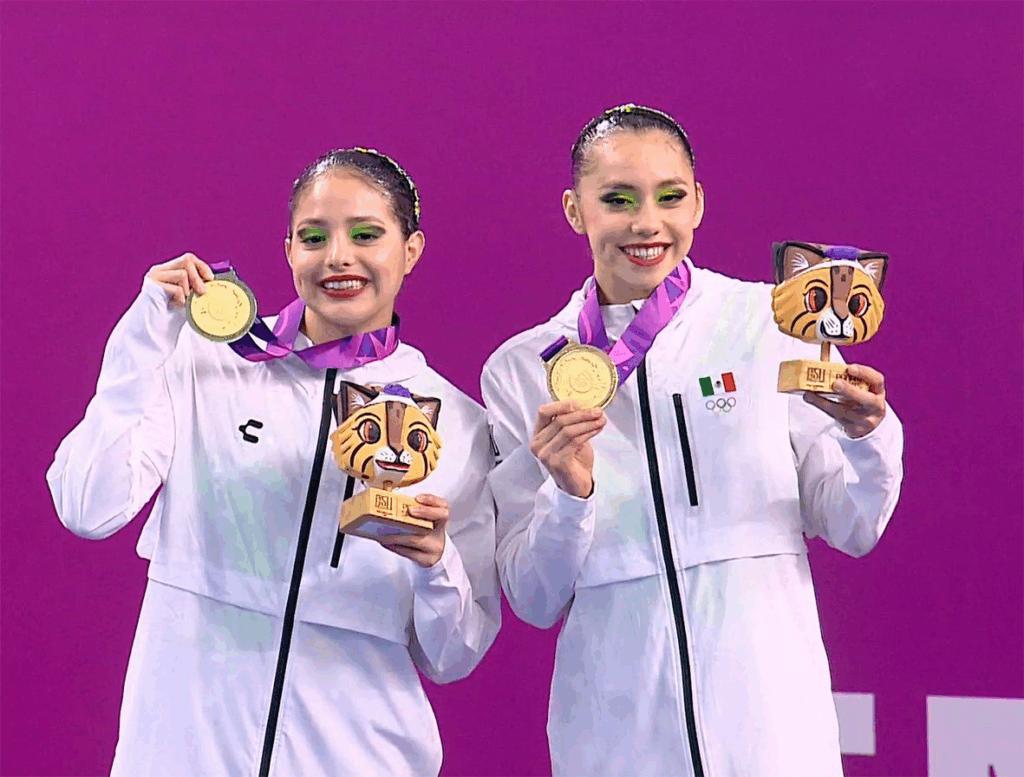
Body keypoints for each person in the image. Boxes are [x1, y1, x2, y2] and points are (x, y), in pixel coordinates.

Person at [47, 148, 500, 777]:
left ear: (411, 250)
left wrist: (435, 564)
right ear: (289, 251)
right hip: (183, 753)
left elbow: (453, 656)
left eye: (366, 235)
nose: (337, 257)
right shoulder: (205, 363)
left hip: (357, 759)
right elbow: (87, 506)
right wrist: (142, 340)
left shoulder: (457, 423)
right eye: (314, 237)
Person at [481, 105, 904, 776]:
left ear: (699, 203)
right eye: (617, 199)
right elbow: (534, 596)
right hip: (617, 735)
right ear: (574, 209)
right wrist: (569, 494)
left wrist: (866, 435)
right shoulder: (523, 369)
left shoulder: (770, 323)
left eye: (670, 196)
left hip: (769, 725)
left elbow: (854, 525)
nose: (646, 223)